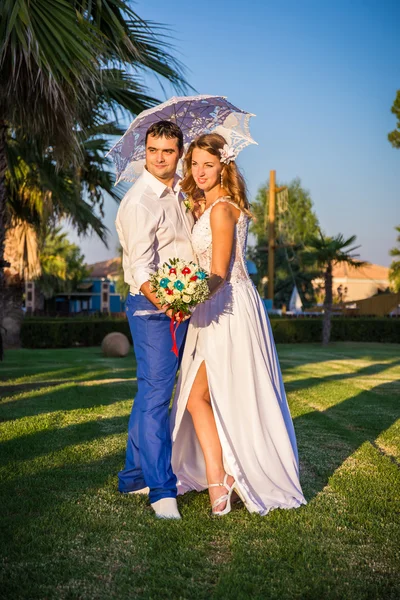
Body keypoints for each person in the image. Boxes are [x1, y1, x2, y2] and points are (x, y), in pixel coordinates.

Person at [170, 133, 306, 516]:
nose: (199, 171)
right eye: (194, 164)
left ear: (223, 166)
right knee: (199, 396)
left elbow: (218, 274)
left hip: (226, 306)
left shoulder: (220, 209)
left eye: (207, 165)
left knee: (205, 395)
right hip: (211, 308)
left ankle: (222, 475)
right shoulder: (211, 205)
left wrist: (185, 300)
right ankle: (220, 474)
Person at [115, 121, 194, 519]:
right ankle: (162, 491)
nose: (160, 157)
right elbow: (141, 269)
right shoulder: (140, 201)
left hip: (177, 307)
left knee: (150, 392)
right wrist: (168, 305)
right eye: (152, 150)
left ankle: (132, 476)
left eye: (167, 150)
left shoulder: (178, 193)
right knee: (157, 396)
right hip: (153, 310)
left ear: (179, 151)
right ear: (143, 152)